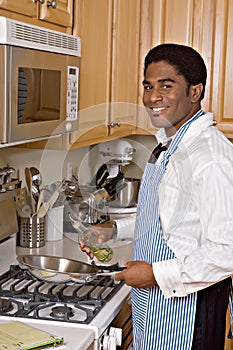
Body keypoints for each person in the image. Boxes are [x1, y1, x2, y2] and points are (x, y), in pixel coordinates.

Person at [80, 43, 233, 350]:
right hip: (156, 303)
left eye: (166, 86)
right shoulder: (169, 144)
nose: (152, 97)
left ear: (194, 91)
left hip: (190, 312)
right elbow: (169, 215)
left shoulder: (211, 157)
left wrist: (155, 274)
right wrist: (114, 230)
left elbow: (226, 250)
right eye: (148, 86)